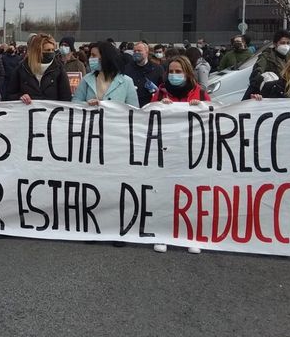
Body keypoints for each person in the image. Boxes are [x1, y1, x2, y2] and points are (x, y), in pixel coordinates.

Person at [149, 55, 210, 254]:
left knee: (192, 193)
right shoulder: (160, 93)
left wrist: (201, 108)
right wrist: (159, 107)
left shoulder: (200, 93)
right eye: (171, 72)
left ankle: (191, 235)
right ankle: (162, 233)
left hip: (193, 152)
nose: (174, 75)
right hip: (166, 150)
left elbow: (214, 116)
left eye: (179, 71)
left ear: (187, 73)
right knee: (165, 192)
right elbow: (147, 118)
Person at [7, 34, 71, 104]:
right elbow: (9, 95)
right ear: (37, 51)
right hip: (27, 113)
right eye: (47, 50)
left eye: (53, 50)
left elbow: (66, 97)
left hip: (51, 113)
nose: (51, 52)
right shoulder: (21, 69)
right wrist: (20, 96)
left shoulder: (59, 69)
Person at [72, 41, 138, 106]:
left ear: (105, 57)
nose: (90, 58)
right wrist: (87, 104)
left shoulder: (127, 81)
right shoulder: (86, 79)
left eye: (94, 55)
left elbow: (134, 109)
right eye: (90, 55)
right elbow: (75, 103)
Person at [246, 30, 290, 99]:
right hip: (271, 93)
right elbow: (257, 73)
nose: (286, 45)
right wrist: (267, 84)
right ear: (275, 44)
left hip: (287, 93)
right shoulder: (266, 56)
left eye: (288, 43)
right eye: (282, 43)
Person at [123, 42, 164, 107]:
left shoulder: (157, 69)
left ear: (146, 52)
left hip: (150, 106)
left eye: (139, 51)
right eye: (135, 51)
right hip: (132, 107)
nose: (136, 53)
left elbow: (163, 88)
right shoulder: (126, 69)